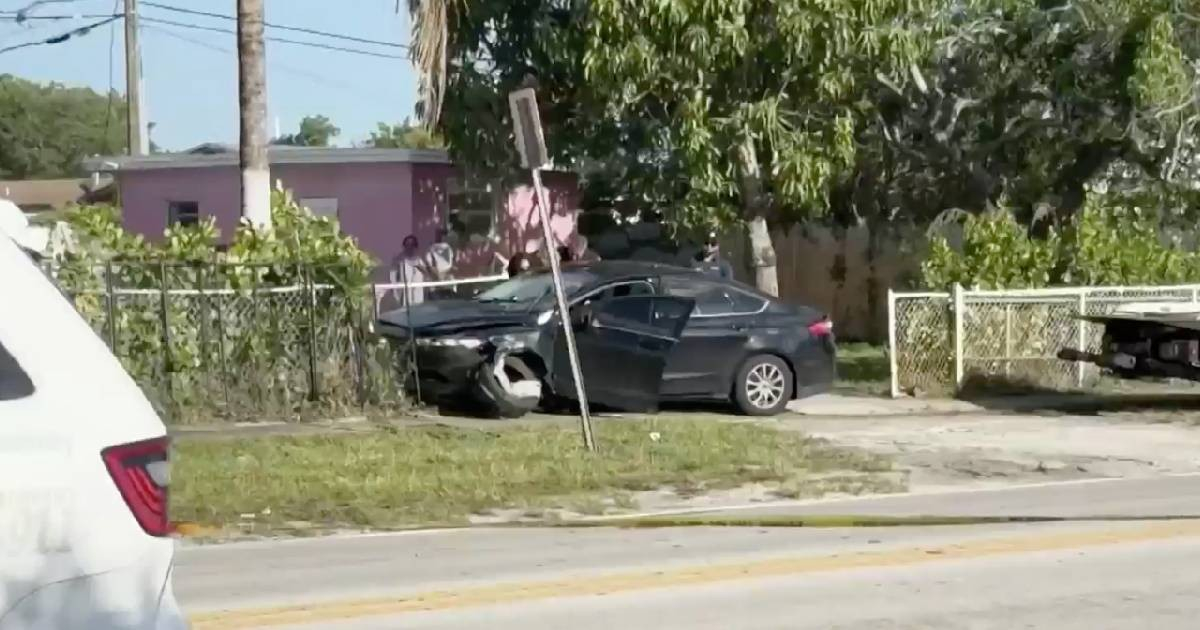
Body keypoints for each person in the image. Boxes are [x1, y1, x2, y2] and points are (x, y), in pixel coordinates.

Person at [392, 234, 426, 305]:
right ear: (404, 246)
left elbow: (426, 273)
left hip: (417, 292)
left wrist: (418, 266)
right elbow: (393, 275)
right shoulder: (399, 259)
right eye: (407, 244)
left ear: (415, 246)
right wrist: (395, 291)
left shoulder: (419, 259)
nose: (409, 247)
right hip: (404, 293)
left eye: (412, 245)